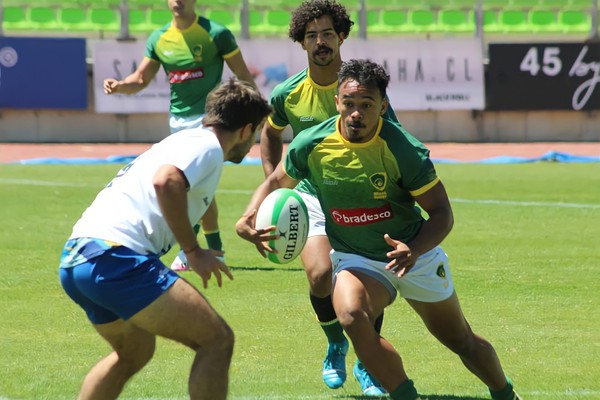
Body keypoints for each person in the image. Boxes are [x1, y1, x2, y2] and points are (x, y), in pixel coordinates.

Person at [236, 59, 521, 400]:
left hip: (415, 253)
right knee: (351, 315)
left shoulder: (403, 150)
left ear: (383, 107)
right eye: (350, 104)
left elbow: (442, 214)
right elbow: (276, 181)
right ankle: (404, 394)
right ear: (338, 102)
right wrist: (248, 216)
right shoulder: (311, 143)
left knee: (460, 340)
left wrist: (413, 250)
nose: (356, 113)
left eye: (367, 105)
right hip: (357, 258)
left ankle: (505, 393)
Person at [59, 78, 272, 400]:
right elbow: (166, 181)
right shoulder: (209, 147)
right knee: (216, 340)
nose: (253, 141)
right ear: (245, 129)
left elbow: (191, 195)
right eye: (255, 132)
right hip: (115, 259)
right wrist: (194, 250)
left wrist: (218, 237)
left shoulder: (187, 142)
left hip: (78, 258)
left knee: (135, 351)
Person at [259, 0, 398, 394]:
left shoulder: (363, 88)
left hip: (361, 197)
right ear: (301, 42)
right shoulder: (288, 93)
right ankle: (336, 342)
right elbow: (270, 134)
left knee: (366, 280)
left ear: (341, 36)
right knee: (320, 276)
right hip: (311, 198)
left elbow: (393, 140)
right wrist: (273, 188)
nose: (320, 42)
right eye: (311, 35)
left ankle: (368, 362)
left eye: (326, 34)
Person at [103, 0, 257, 272]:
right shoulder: (159, 38)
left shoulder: (216, 34)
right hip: (177, 123)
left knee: (197, 188)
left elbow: (242, 73)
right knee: (197, 188)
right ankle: (212, 249)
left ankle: (197, 251)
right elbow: (140, 79)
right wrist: (119, 87)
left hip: (209, 123)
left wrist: (255, 112)